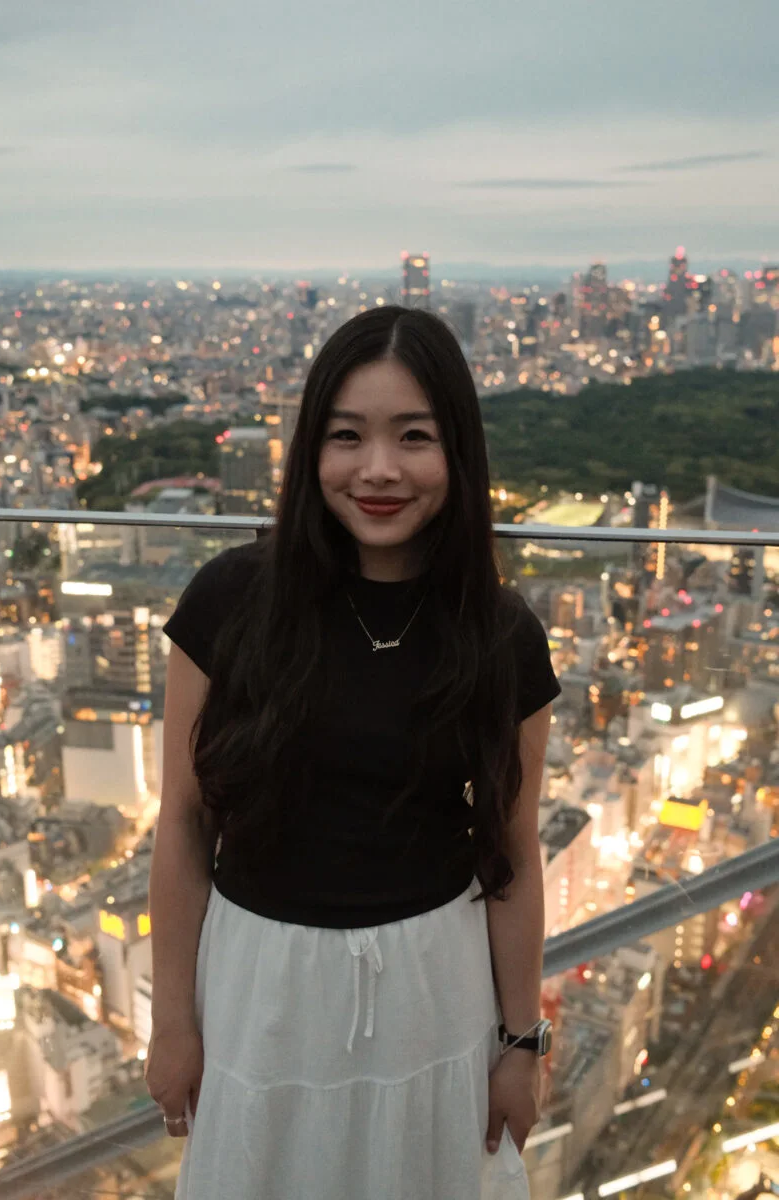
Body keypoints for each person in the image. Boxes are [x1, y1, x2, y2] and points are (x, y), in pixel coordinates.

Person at [146, 304, 561, 1200]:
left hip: (433, 992)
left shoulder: (499, 635)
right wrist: (171, 1020)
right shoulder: (230, 603)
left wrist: (521, 1044)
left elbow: (514, 855)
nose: (378, 469)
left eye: (414, 436)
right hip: (262, 986)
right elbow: (181, 825)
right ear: (310, 455)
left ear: (458, 454)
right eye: (347, 437)